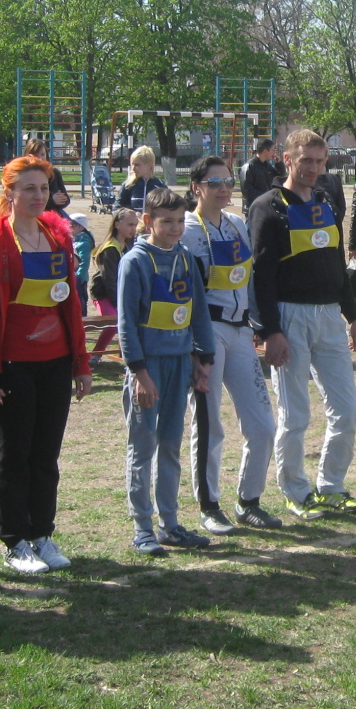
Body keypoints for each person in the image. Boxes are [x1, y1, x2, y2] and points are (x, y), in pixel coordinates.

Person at [0, 154, 92, 574]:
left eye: (44, 188)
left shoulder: (56, 238)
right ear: (10, 193)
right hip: (12, 365)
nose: (39, 196)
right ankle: (15, 540)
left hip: (55, 363)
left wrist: (81, 362)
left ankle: (42, 533)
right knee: (15, 454)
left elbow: (70, 305)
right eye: (29, 189)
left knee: (46, 455)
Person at [249, 129, 356, 516]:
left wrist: (352, 316)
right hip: (288, 315)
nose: (314, 168)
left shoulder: (326, 201)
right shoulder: (266, 206)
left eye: (320, 160)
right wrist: (270, 330)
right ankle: (296, 491)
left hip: (330, 314)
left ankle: (331, 485)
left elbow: (335, 264)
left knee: (346, 410)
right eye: (306, 161)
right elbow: (260, 275)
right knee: (295, 414)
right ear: (287, 160)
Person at [181, 156, 281, 531]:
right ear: (196, 187)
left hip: (241, 333)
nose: (223, 189)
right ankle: (209, 505)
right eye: (213, 183)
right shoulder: (187, 229)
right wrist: (193, 346)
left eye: (227, 181)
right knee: (209, 424)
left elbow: (250, 281)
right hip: (207, 333)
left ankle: (249, 500)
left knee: (262, 424)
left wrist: (264, 326)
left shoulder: (237, 224)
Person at [117, 187, 216, 555]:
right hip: (149, 368)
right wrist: (139, 372)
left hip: (180, 363)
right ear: (148, 222)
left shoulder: (187, 259)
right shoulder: (135, 261)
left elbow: (198, 313)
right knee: (142, 448)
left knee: (171, 446)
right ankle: (142, 527)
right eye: (166, 222)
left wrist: (202, 359)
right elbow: (126, 323)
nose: (175, 229)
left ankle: (169, 523)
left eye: (179, 222)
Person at [88, 208, 138, 363]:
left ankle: (127, 355)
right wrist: (119, 304)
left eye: (135, 225)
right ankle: (95, 355)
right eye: (130, 225)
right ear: (117, 224)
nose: (133, 229)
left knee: (129, 321)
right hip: (103, 293)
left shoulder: (130, 244)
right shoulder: (110, 249)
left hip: (121, 292)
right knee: (113, 322)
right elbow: (109, 280)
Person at [23, 138, 72, 216]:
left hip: (54, 215)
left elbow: (66, 201)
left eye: (42, 154)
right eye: (36, 155)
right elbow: (24, 202)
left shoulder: (54, 173)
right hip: (34, 217)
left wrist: (61, 200)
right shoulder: (24, 175)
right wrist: (52, 200)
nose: (40, 158)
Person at [119, 145, 166, 213]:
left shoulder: (160, 186)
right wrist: (130, 216)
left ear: (149, 165)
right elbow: (117, 207)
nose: (133, 168)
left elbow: (169, 209)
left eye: (137, 165)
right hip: (134, 223)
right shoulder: (128, 185)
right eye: (132, 164)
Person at [240, 138, 282, 211]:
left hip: (266, 208)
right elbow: (247, 190)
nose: (274, 153)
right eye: (273, 150)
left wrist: (279, 164)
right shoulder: (249, 167)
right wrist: (266, 197)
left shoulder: (267, 166)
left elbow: (279, 178)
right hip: (253, 209)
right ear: (265, 151)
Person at [68, 213, 95, 310]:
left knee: (80, 304)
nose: (69, 228)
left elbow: (84, 263)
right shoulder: (76, 240)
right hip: (75, 277)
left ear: (80, 226)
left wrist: (77, 279)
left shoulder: (83, 243)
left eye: (72, 225)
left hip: (79, 280)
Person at [315, 156, 347, 233]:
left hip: (332, 228)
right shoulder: (306, 181)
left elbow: (341, 207)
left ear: (326, 158)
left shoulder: (335, 179)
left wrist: (334, 224)